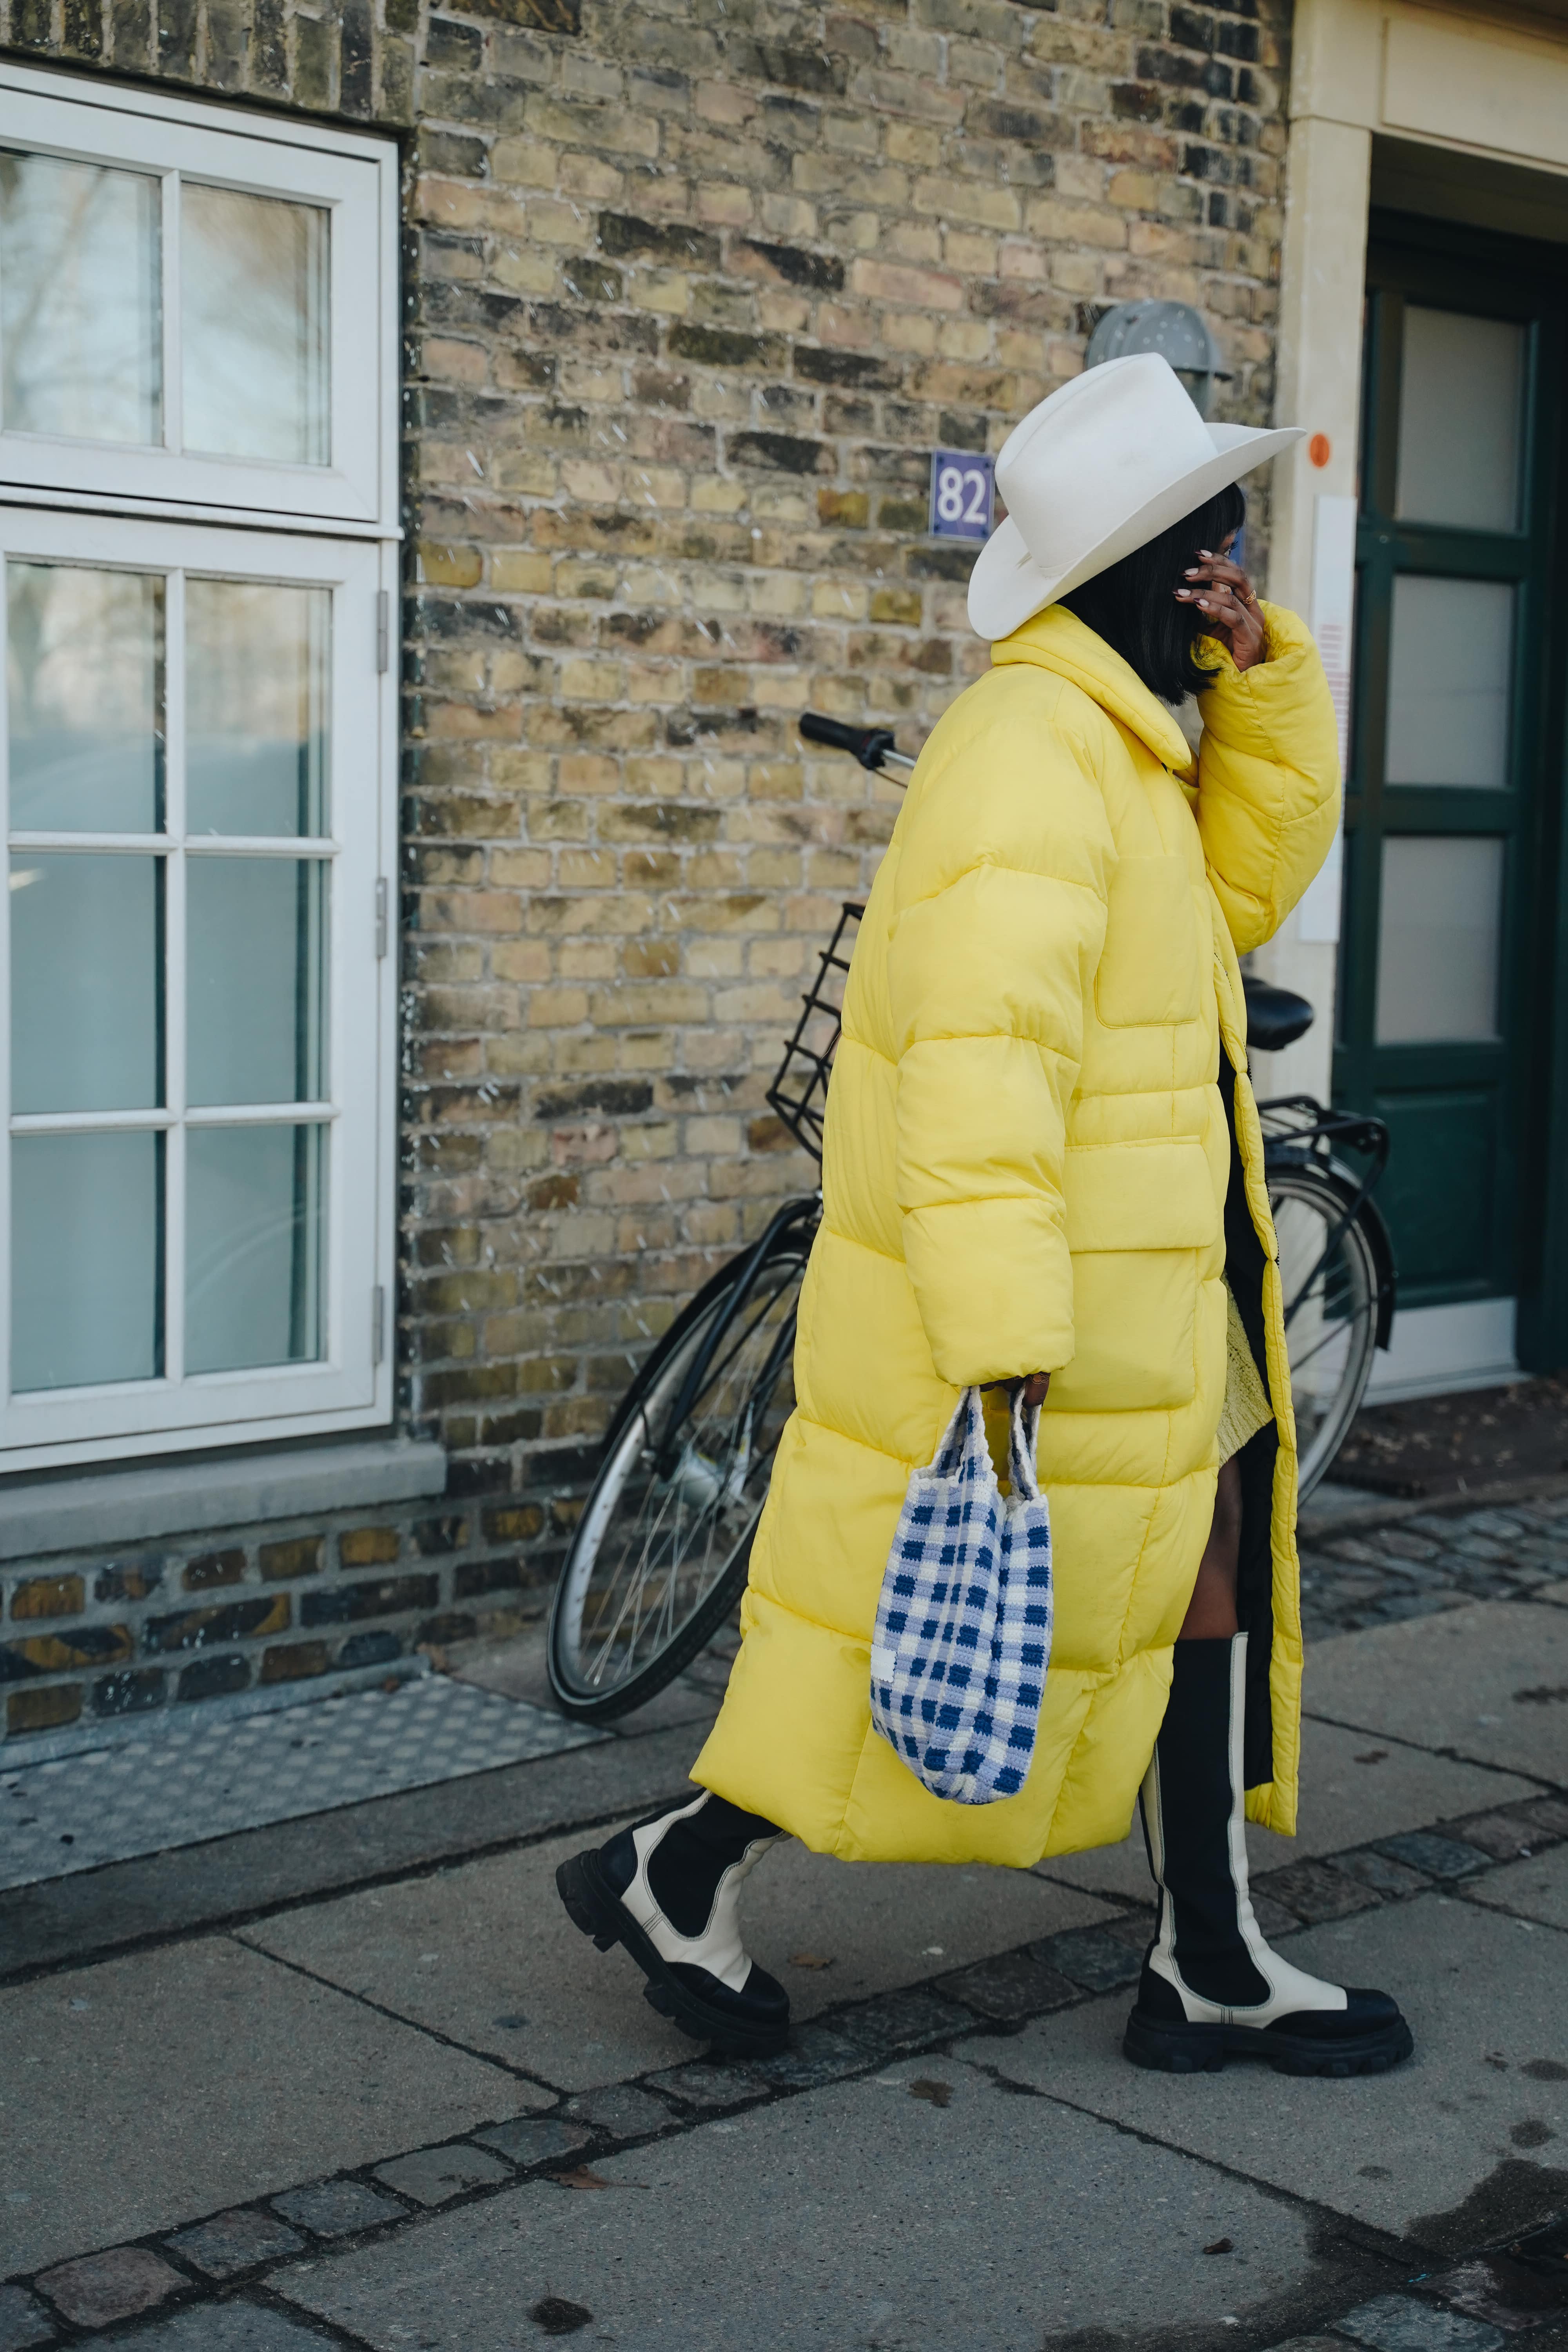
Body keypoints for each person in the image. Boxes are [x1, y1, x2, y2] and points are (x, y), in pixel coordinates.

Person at [557, 353, 1414, 2079]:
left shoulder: (1120, 743)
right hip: (1062, 1295)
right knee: (930, 1617)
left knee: (1187, 1573)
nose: (1231, 574)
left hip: (1155, 1279)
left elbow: (1239, 892)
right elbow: (976, 1070)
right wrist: (1008, 1333)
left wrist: (1264, 683)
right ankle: (682, 1866)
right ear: (1144, 565)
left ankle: (1208, 1957)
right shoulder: (1033, 752)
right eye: (1212, 546)